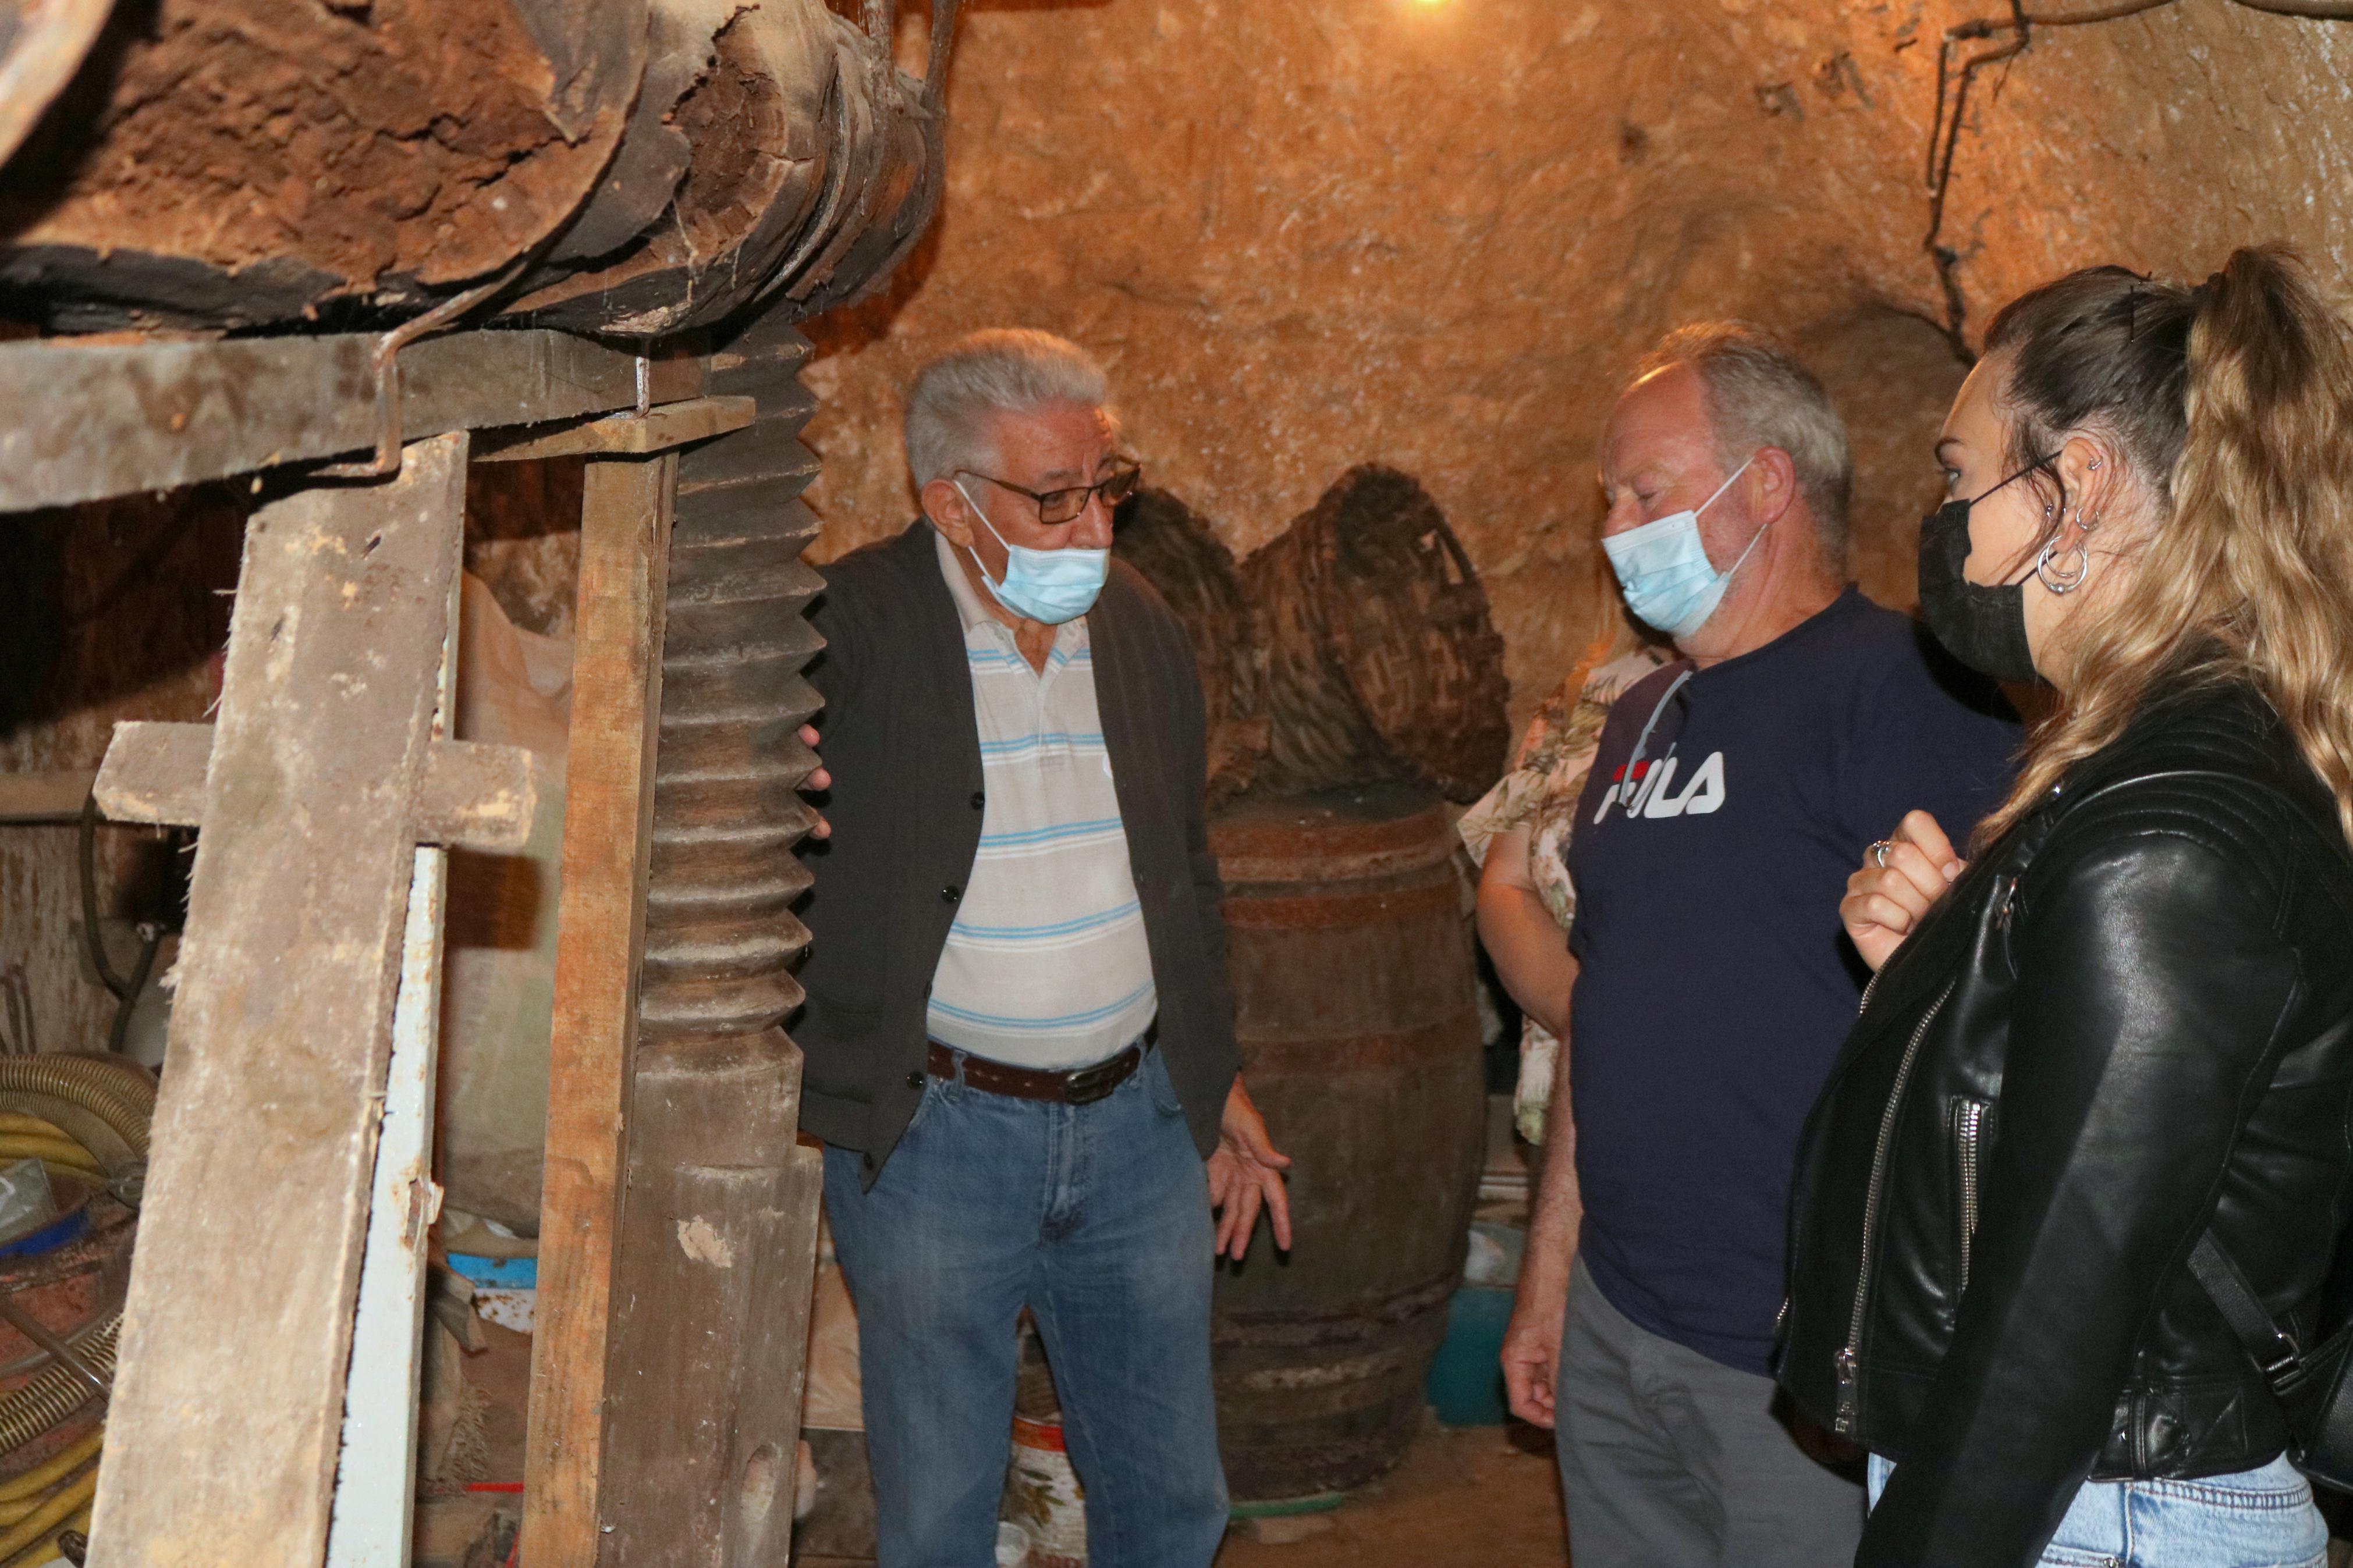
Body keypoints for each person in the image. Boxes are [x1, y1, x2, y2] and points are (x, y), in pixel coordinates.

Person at [1783, 247, 2353, 1568]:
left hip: (2104, 1517)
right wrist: (1940, 971)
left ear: (2075, 487)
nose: (1946, 524)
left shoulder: (2163, 828)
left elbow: (2053, 1327)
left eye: (1957, 476)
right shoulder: (2155, 767)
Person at [1497, 322, 2021, 1567]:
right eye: (1607, 498)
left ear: (1767, 485)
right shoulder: (1639, 714)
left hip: (1795, 1362)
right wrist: (1548, 1274)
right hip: (1619, 1319)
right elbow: (1602, 1007)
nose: (1614, 526)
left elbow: (1988, 1035)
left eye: (1645, 491)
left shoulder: (1908, 692)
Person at [796, 329, 1292, 1568]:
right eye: (1052, 498)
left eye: (1103, 489)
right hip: (936, 1142)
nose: (1090, 530)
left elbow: (1178, 864)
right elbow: (750, 832)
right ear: (947, 502)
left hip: (1133, 1133)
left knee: (1170, 1499)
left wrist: (1209, 1069)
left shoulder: (1134, 625)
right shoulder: (845, 630)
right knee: (940, 1515)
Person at [1460, 614, 1666, 1146]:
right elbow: (1507, 881)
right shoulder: (1587, 694)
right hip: (1573, 1096)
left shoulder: (1818, 687)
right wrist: (1586, 1021)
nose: (1623, 529)